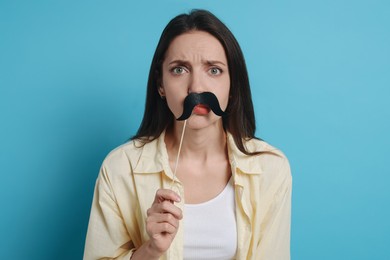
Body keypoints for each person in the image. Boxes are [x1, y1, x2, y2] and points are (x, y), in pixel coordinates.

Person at [84, 9, 292, 260]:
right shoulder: (120, 168)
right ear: (160, 85)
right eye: (179, 70)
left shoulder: (270, 168)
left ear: (233, 85)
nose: (196, 88)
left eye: (213, 70)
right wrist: (151, 250)